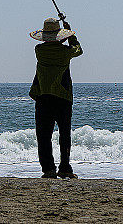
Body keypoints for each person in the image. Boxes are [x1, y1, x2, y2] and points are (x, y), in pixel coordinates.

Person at [28, 17, 83, 179]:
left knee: (44, 135)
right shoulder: (65, 52)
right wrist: (70, 34)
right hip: (63, 98)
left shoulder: (39, 50)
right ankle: (65, 168)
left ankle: (48, 169)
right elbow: (78, 49)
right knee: (64, 135)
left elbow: (54, 45)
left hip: (43, 97)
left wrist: (64, 35)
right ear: (60, 35)